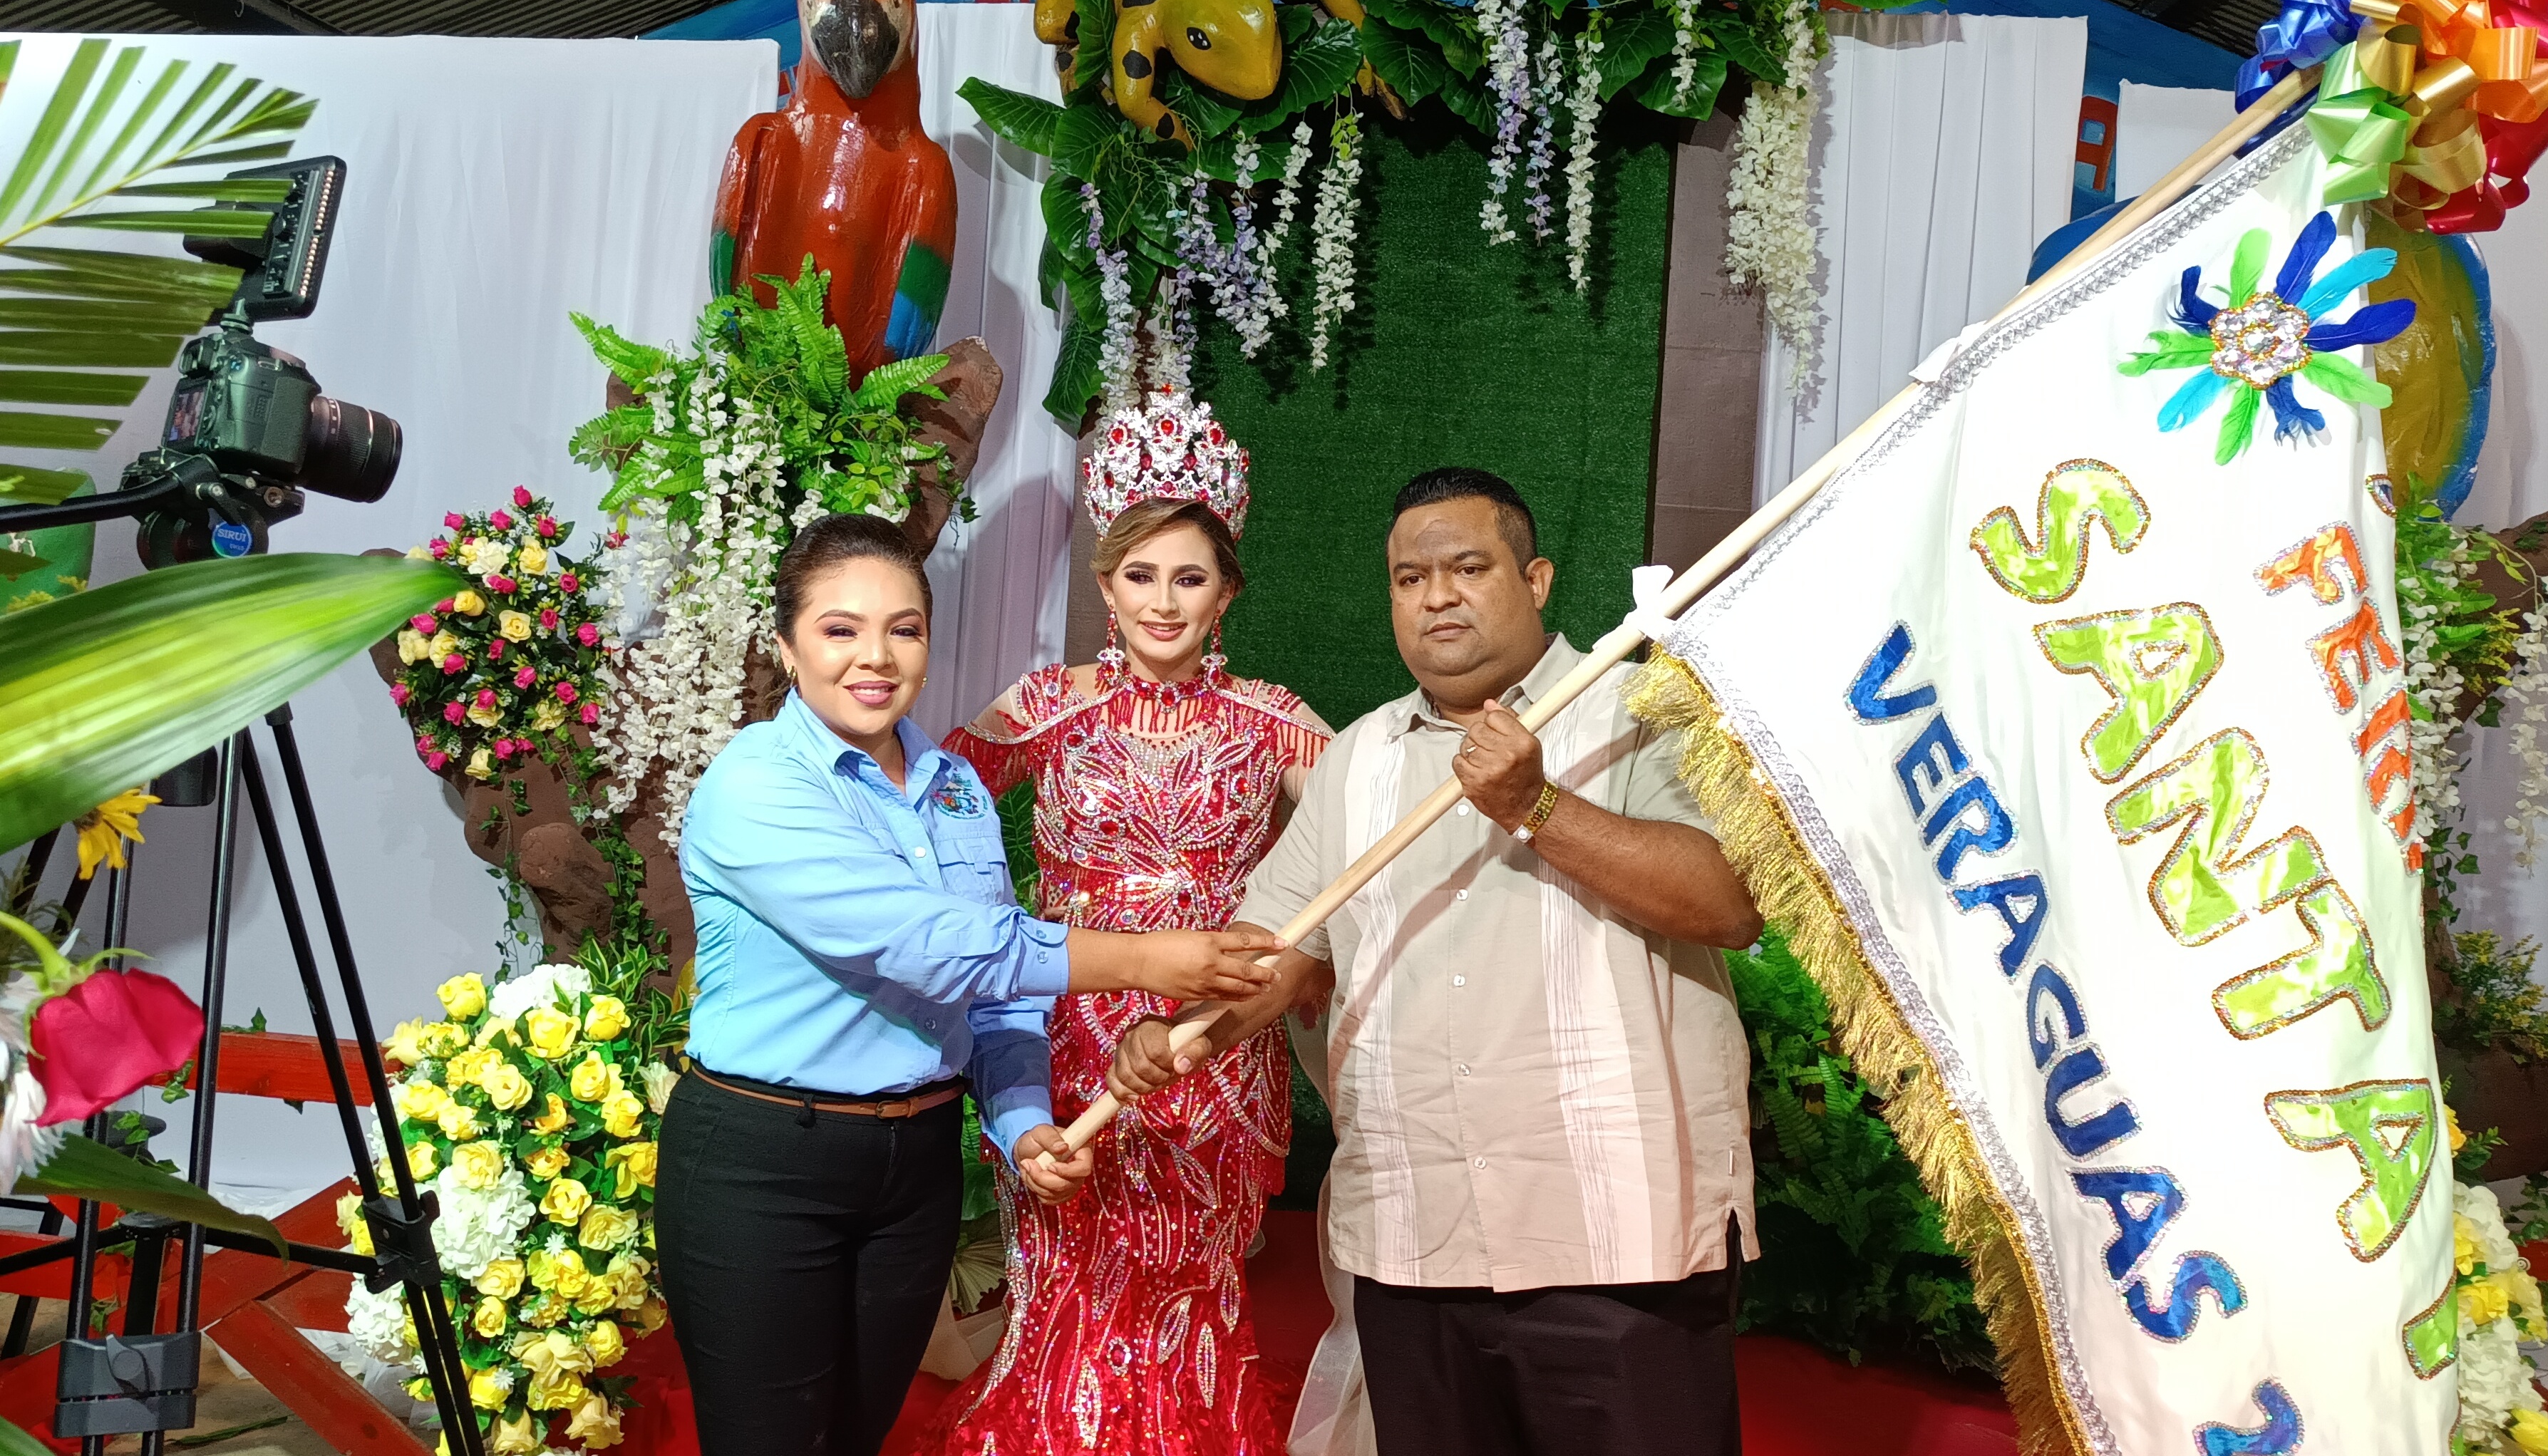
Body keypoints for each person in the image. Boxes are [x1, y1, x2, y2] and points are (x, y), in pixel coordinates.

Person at [1110, 467, 1765, 1456]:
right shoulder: (1356, 757)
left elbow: (1729, 903)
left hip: (1621, 1240)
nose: (1437, 597)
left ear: (1536, 580)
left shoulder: (1643, 712)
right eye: (1410, 579)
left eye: (1469, 568)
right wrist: (1182, 1029)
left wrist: (1536, 807)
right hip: (1414, 1238)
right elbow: (1274, 951)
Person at [658, 512, 1280, 1456]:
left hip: (915, 1166)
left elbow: (999, 1000)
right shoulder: (756, 784)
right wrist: (1149, 959)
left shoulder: (952, 786)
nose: (875, 657)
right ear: (786, 646)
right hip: (767, 1161)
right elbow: (935, 946)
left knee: (858, 1435)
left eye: (903, 629)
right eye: (840, 629)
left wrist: (1023, 1124)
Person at [920, 387, 1331, 1456]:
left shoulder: (1276, 722)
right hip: (1071, 1036)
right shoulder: (1044, 706)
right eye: (1140, 574)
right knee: (1073, 1281)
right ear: (1105, 583)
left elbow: (1371, 827)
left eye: (1189, 578)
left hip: (1212, 1043)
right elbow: (928, 810)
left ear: (1226, 591)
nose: (1163, 602)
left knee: (1191, 1287)